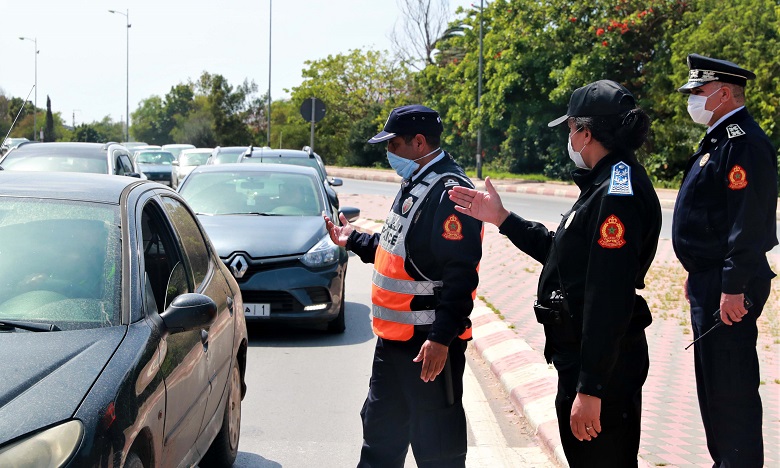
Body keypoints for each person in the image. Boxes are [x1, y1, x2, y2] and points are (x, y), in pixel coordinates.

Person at [448, 80, 661, 467]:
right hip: (583, 359)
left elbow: (608, 294)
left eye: (569, 130)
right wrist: (502, 218)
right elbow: (562, 256)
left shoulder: (616, 192)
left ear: (586, 132)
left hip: (600, 369)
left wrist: (591, 389)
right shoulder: (604, 181)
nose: (569, 138)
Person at [323, 104, 482, 467]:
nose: (388, 153)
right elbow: (398, 249)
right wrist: (354, 239)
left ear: (419, 142)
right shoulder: (417, 183)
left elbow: (461, 277)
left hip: (427, 348)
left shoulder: (451, 193)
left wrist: (441, 339)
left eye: (393, 144)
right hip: (393, 344)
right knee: (380, 441)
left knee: (437, 451)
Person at [672, 54, 777, 467]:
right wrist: (697, 270)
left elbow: (747, 223)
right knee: (715, 389)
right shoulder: (719, 139)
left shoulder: (743, 143)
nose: (693, 100)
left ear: (725, 93)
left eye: (698, 92)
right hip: (711, 279)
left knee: (730, 390)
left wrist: (732, 284)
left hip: (729, 285)